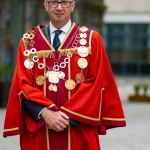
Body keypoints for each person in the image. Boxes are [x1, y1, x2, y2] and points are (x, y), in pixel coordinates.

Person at [3, 0, 126, 150]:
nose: (60, 7)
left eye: (65, 2)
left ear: (73, 5)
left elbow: (98, 82)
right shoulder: (29, 42)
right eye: (54, 2)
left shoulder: (91, 40)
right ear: (46, 5)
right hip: (40, 129)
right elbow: (22, 85)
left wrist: (66, 116)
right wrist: (45, 112)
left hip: (79, 129)